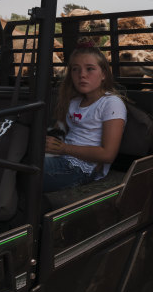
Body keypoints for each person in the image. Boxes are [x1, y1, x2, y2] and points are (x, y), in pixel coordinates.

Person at [43, 46, 126, 193]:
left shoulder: (111, 103)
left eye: (90, 69)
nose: (82, 75)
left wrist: (64, 148)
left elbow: (108, 154)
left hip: (82, 168)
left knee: (30, 170)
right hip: (61, 158)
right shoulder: (74, 102)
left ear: (103, 74)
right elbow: (59, 131)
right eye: (75, 69)